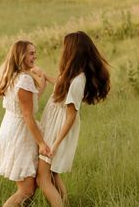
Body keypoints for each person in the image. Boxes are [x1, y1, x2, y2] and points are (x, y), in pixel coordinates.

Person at [37, 31, 111, 207]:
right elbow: (62, 87)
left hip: (58, 130)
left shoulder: (78, 80)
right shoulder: (72, 74)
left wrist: (55, 144)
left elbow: (71, 116)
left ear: (72, 51)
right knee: (53, 175)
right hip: (53, 125)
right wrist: (44, 75)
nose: (62, 51)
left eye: (65, 47)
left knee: (42, 178)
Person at [0, 40, 50, 207]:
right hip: (19, 134)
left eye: (35, 52)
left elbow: (25, 105)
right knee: (26, 190)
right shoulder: (24, 79)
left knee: (30, 188)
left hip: (11, 128)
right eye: (31, 53)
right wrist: (41, 143)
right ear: (21, 55)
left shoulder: (14, 76)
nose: (35, 56)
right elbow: (27, 115)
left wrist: (41, 88)